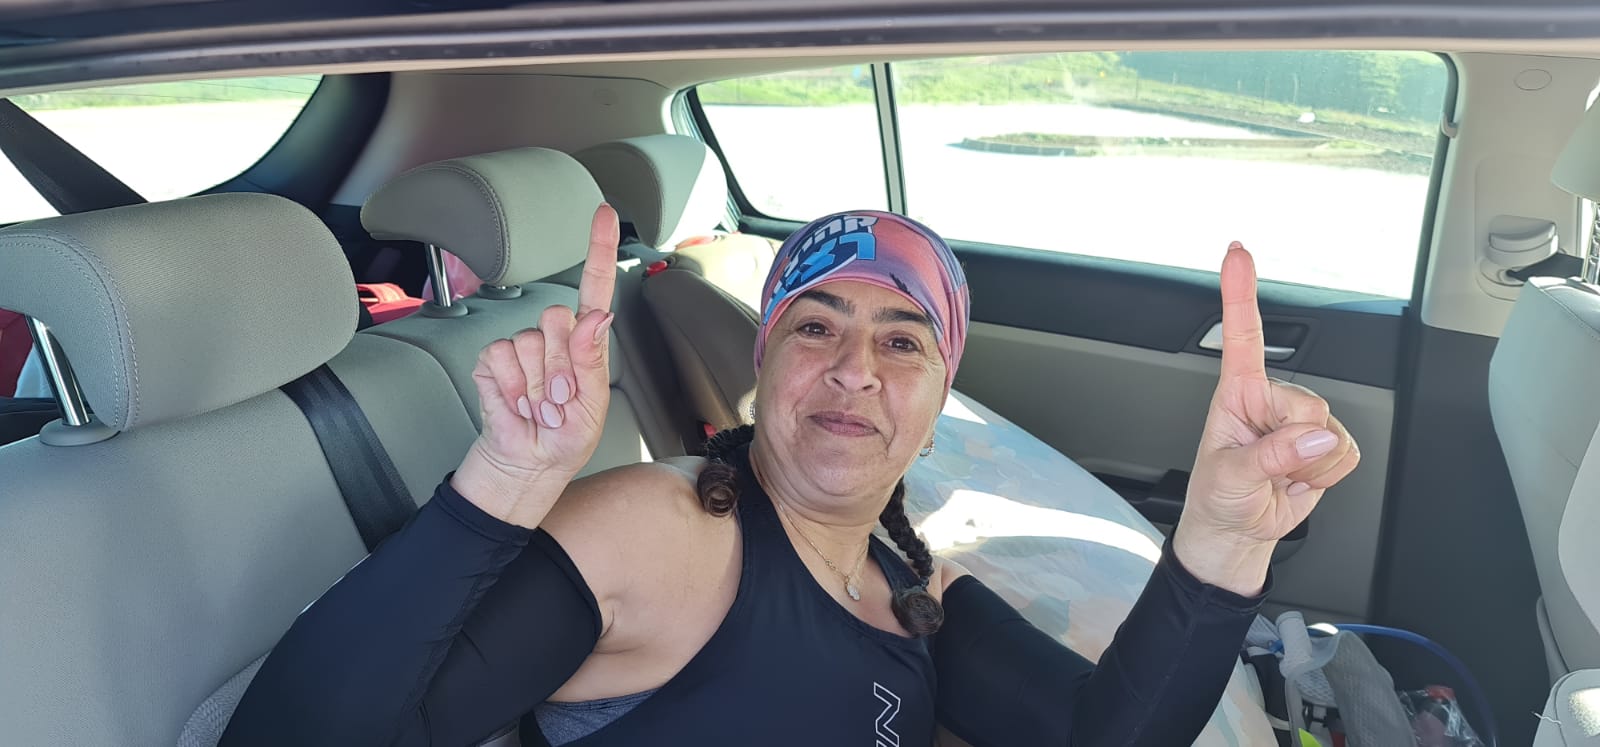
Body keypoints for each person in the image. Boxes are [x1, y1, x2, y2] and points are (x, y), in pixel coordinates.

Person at [223, 205, 1359, 746]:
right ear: (762, 366)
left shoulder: (918, 594)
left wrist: (1223, 542)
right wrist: (506, 483)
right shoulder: (666, 532)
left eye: (903, 341)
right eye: (816, 327)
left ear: (937, 406)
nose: (856, 368)